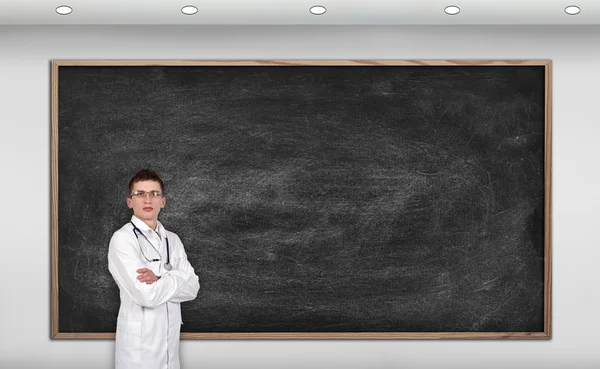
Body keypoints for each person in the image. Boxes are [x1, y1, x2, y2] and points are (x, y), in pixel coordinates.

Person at [108, 169, 200, 369]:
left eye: (154, 194)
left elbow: (193, 289)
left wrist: (159, 278)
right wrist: (178, 276)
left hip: (170, 354)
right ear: (130, 201)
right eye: (140, 194)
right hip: (138, 355)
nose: (147, 200)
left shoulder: (173, 240)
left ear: (163, 201)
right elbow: (147, 296)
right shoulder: (123, 239)